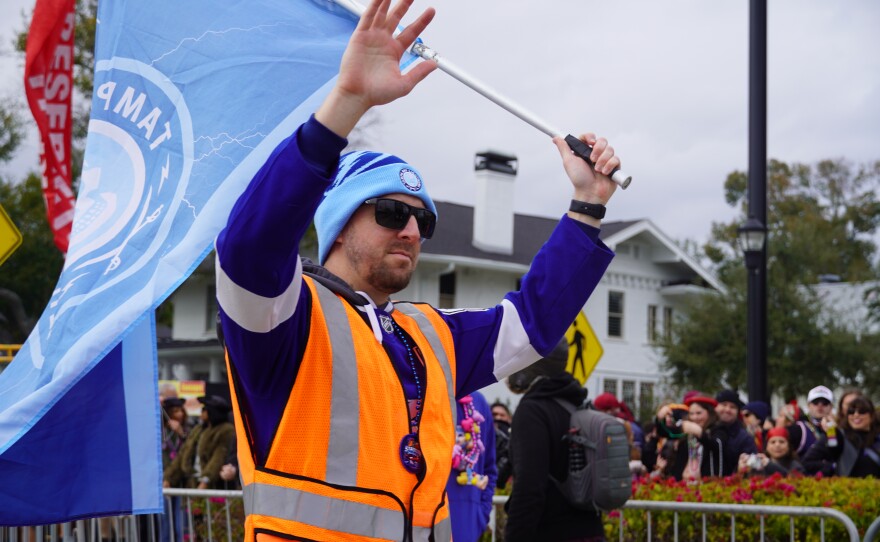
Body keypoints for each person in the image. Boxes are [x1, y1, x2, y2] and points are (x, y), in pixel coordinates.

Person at [213, 0, 620, 539]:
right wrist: (346, 104)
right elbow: (248, 246)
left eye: (421, 220)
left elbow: (534, 321)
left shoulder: (427, 334)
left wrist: (588, 204)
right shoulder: (284, 319)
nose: (409, 230)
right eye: (389, 212)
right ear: (337, 225)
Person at [503, 340, 604, 542]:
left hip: (550, 532)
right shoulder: (579, 404)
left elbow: (529, 491)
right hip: (591, 531)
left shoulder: (532, 410)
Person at [446, 391, 497, 542]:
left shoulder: (478, 402)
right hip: (420, 525)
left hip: (466, 526)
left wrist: (480, 516)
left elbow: (489, 468)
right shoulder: (421, 392)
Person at [163, 395, 236, 490]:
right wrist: (169, 477)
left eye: (204, 409)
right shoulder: (198, 429)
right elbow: (183, 454)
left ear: (212, 412)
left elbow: (218, 458)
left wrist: (205, 481)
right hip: (192, 482)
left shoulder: (226, 430)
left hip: (213, 487)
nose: (201, 413)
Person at [803, 395, 880, 478]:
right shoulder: (837, 434)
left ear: (872, 415)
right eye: (851, 411)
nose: (856, 415)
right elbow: (808, 461)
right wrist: (834, 468)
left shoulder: (877, 437)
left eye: (862, 411)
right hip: (849, 488)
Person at [160, 397, 189, 542]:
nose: (180, 414)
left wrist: (181, 433)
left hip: (181, 482)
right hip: (165, 482)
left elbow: (187, 452)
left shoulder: (188, 430)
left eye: (181, 411)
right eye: (175, 411)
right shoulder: (161, 432)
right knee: (165, 523)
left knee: (181, 524)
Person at [781, 385, 834, 457]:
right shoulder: (799, 428)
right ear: (808, 405)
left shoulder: (837, 428)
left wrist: (831, 428)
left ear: (831, 406)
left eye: (825, 402)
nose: (820, 405)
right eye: (815, 402)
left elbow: (834, 450)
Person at [713, 389, 757, 474]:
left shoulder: (744, 438)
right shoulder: (708, 432)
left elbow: (752, 466)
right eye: (724, 405)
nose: (727, 409)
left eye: (732, 407)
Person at [737, 427, 804, 477]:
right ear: (767, 446)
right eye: (773, 442)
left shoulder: (796, 467)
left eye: (782, 442)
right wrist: (742, 472)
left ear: (788, 446)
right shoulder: (758, 466)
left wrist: (769, 465)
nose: (777, 445)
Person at [490, 401, 513, 489]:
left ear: (508, 418)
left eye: (502, 415)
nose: (498, 417)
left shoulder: (514, 438)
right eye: (494, 414)